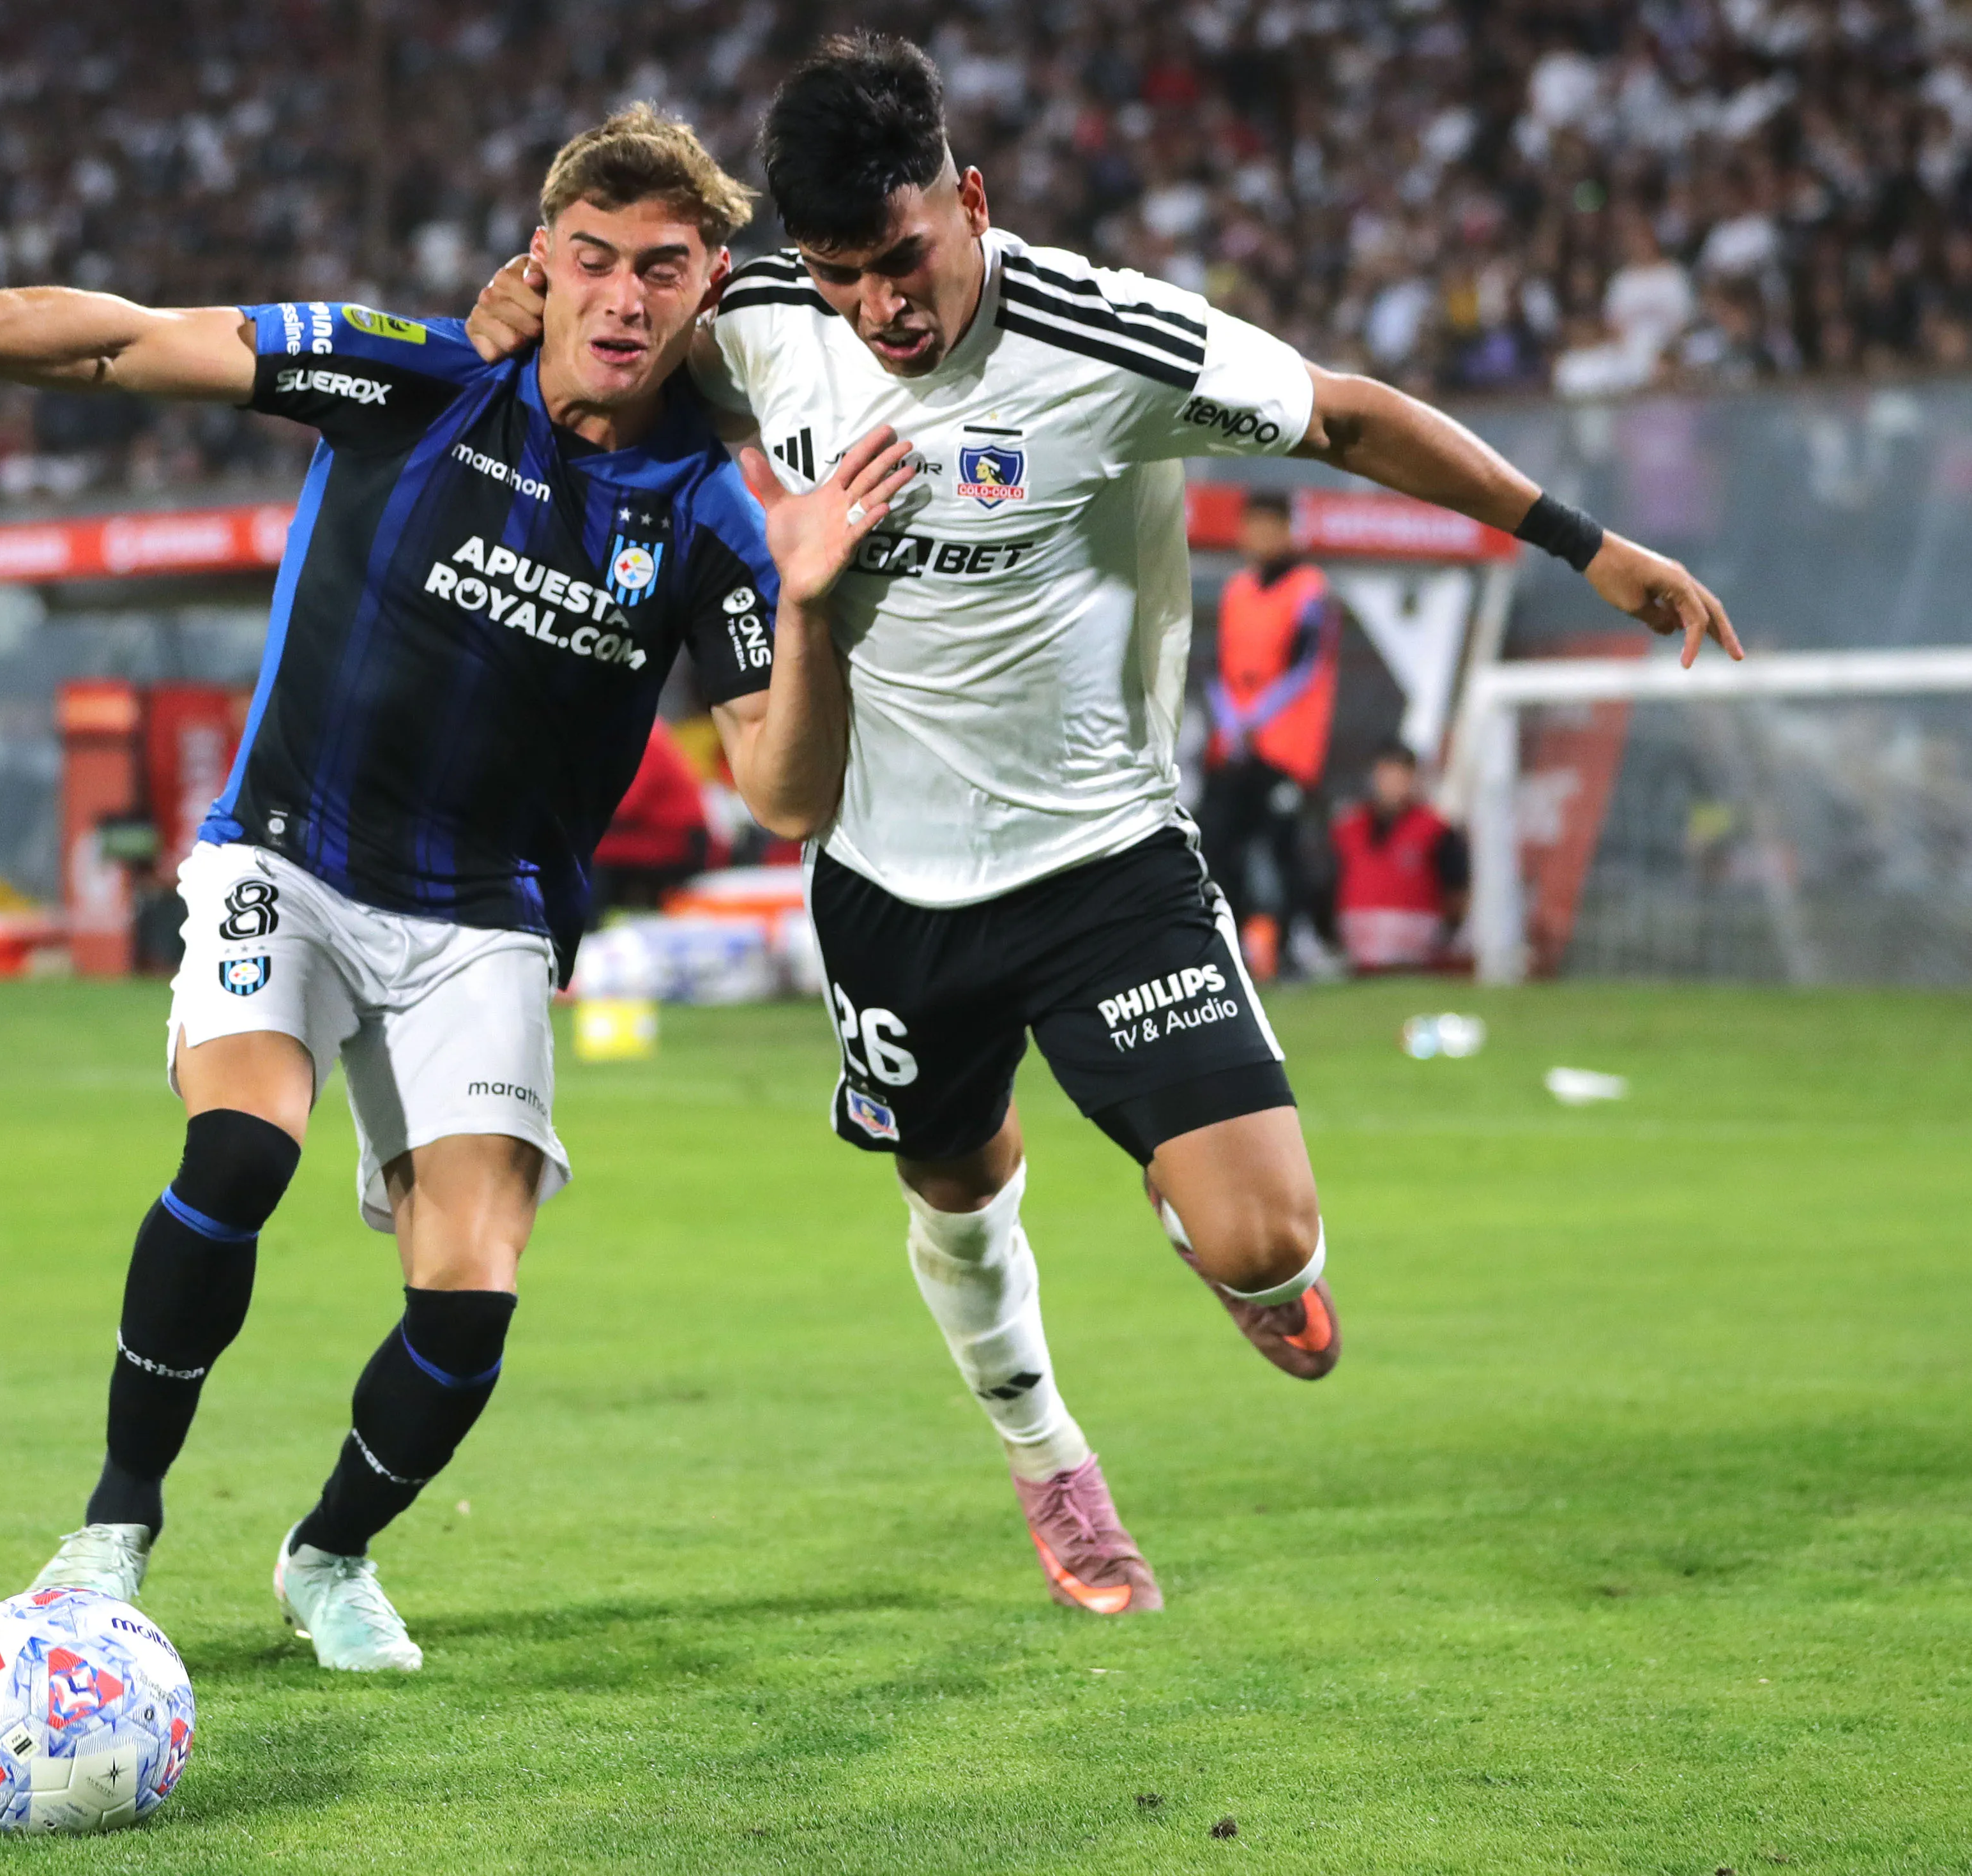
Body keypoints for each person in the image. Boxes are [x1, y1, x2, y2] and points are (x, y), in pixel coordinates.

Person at [469, 33, 1741, 1616]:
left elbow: (1341, 416)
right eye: (844, 273)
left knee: (1267, 1244)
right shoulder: (758, 322)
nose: (884, 307)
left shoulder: (1106, 341)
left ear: (972, 201)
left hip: (1104, 864)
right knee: (953, 1184)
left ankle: (1191, 1199)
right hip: (883, 875)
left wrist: (1580, 540)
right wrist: (504, 305)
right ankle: (1051, 1464)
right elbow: (593, 334)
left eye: (907, 259)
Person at [0, 103, 909, 1670]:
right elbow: (124, 345)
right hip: (289, 849)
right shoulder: (406, 372)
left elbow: (786, 792)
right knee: (242, 1139)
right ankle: (111, 1528)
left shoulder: (711, 511)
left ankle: (329, 1553)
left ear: (707, 285)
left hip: (485, 913)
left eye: (661, 269)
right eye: (594, 259)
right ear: (539, 262)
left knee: (469, 1295)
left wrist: (808, 611)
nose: (624, 297)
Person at [1200, 489, 1341, 981]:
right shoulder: (1236, 589)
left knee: (1288, 852)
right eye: (1249, 526)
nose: (1255, 537)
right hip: (1232, 749)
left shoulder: (1310, 590)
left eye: (1266, 526)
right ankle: (1228, 950)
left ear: (1286, 530)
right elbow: (1217, 665)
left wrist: (1253, 717)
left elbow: (1306, 667)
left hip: (1285, 748)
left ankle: (1297, 947)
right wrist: (1227, 720)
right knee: (1215, 847)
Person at [1330, 745, 1468, 974]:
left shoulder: (1435, 829)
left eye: (1400, 776)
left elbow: (1457, 889)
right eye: (1386, 774)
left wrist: (1446, 936)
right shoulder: (1348, 826)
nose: (1392, 784)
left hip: (1416, 957)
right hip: (1358, 956)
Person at [592, 715, 714, 908]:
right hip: (655, 833)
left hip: (676, 841)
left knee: (587, 854)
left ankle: (586, 928)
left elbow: (622, 807)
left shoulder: (640, 738)